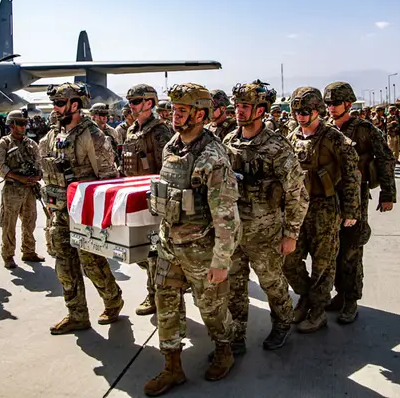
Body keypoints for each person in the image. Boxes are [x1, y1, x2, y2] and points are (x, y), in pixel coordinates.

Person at [144, 83, 241, 396]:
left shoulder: (212, 157)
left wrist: (221, 261)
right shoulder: (172, 145)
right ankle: (172, 367)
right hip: (169, 244)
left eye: (182, 110)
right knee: (165, 301)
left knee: (211, 307)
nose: (175, 115)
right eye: (174, 109)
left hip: (200, 248)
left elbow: (226, 215)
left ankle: (225, 349)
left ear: (200, 114)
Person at [223, 81, 308, 352]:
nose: (238, 111)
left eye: (245, 106)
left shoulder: (277, 146)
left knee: (272, 283)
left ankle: (282, 322)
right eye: (237, 105)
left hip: (266, 233)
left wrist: (291, 234)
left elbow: (297, 194)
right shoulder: (229, 141)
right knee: (235, 286)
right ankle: (236, 334)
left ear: (261, 110)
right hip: (235, 232)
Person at [39, 83, 123, 334]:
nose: (54, 109)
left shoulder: (93, 136)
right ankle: (76, 314)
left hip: (84, 213)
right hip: (58, 211)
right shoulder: (53, 135)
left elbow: (109, 178)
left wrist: (100, 216)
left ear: (75, 105)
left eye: (59, 103)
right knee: (64, 264)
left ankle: (113, 299)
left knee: (92, 263)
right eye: (53, 103)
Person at [285, 86, 361, 331]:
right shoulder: (292, 136)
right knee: (290, 260)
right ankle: (305, 296)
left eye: (306, 111)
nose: (301, 116)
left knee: (323, 263)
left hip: (325, 208)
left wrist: (351, 211)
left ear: (317, 110)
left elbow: (352, 175)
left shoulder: (334, 138)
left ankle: (317, 310)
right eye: (297, 111)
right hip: (298, 208)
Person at [324, 82, 396, 323]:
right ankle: (340, 293)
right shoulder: (325, 129)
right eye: (328, 104)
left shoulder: (365, 129)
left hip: (355, 197)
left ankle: (351, 299)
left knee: (351, 248)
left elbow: (385, 159)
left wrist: (387, 194)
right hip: (328, 197)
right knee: (333, 249)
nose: (331, 108)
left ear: (348, 104)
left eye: (335, 104)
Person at [122, 83, 174, 315]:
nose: (131, 106)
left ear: (149, 103)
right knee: (142, 251)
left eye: (135, 102)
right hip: (137, 200)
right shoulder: (132, 130)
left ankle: (154, 295)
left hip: (155, 200)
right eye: (130, 102)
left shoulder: (160, 132)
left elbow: (168, 169)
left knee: (154, 251)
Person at [0, 110, 44, 269]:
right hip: (12, 189)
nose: (24, 126)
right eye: (21, 123)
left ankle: (28, 251)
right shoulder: (3, 144)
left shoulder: (31, 143)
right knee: (9, 224)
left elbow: (38, 162)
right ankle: (8, 255)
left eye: (25, 123)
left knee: (30, 221)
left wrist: (38, 175)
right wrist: (19, 178)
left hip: (29, 189)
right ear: (12, 125)